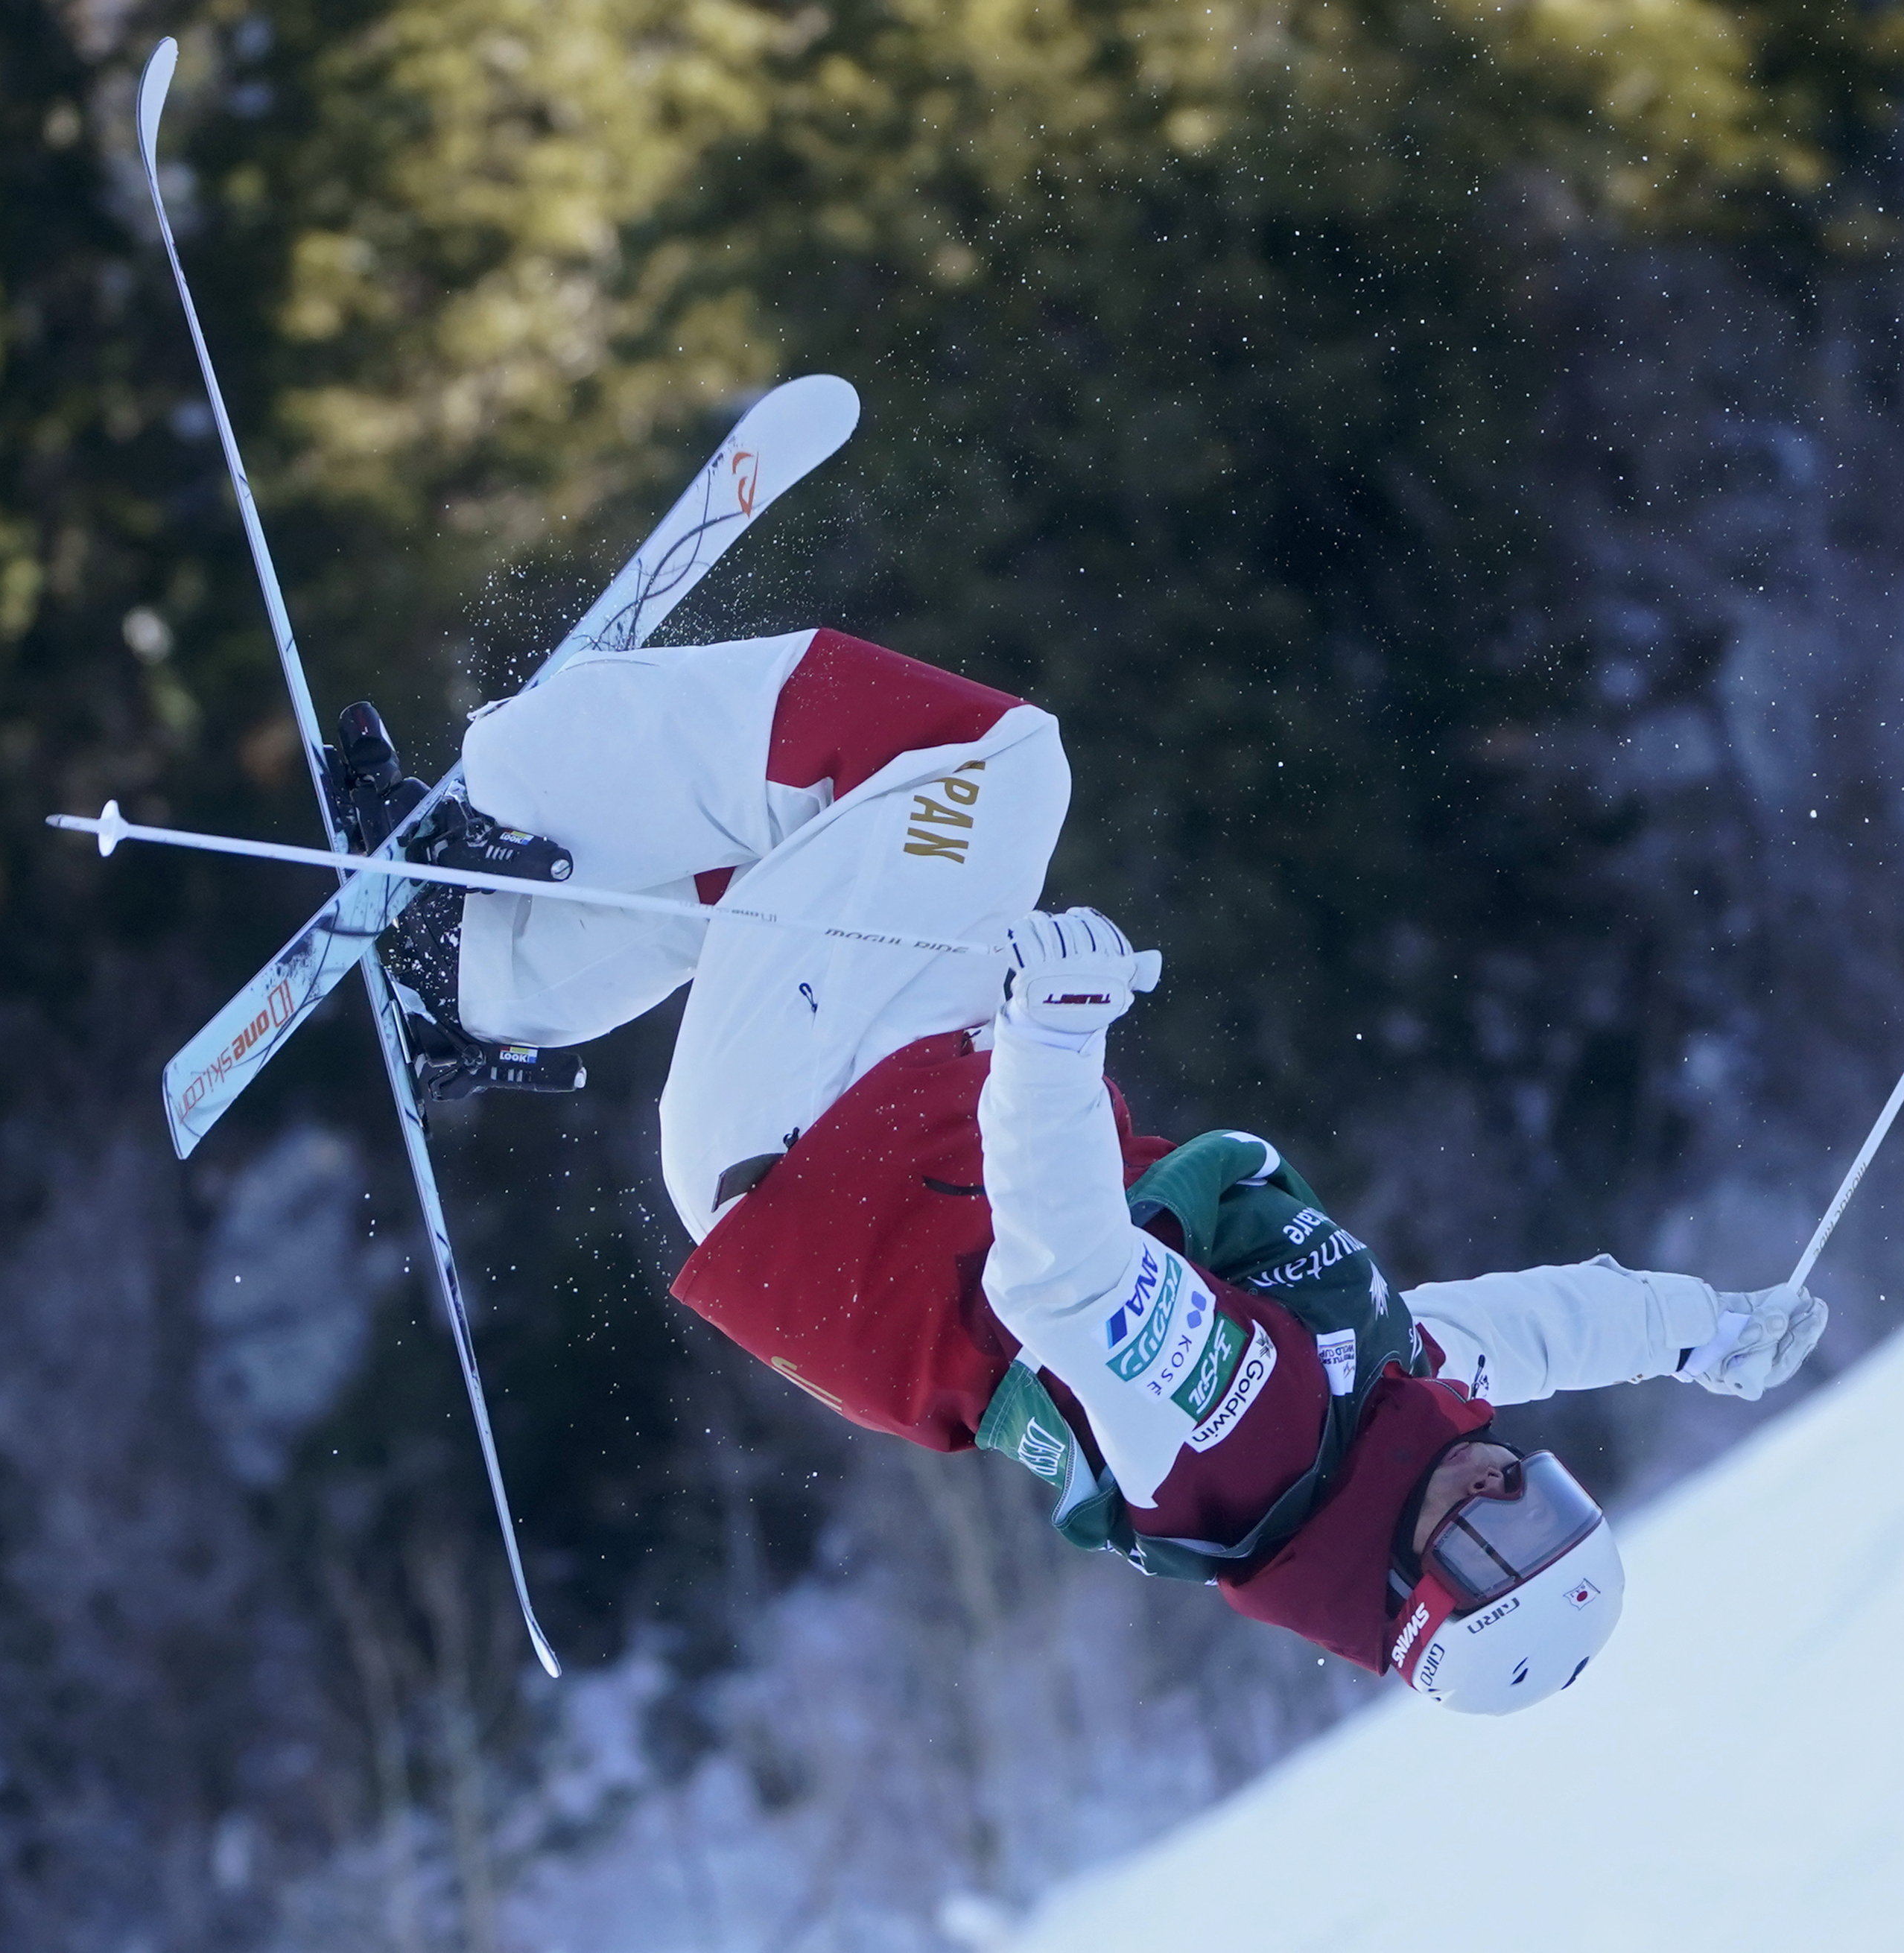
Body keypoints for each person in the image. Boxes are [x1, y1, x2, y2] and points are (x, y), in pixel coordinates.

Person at [347, 628, 1826, 1714]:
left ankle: (532, 765)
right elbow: (1540, 1327)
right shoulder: (1369, 1411)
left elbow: (1064, 1279)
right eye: (1555, 1498)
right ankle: (483, 968)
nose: (1511, 1478)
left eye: (1507, 1533)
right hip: (883, 1113)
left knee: (973, 766)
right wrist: (1705, 1329)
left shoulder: (1246, 1451)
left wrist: (1054, 1043)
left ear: (1421, 1590)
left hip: (832, 1149)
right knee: (831, 836)